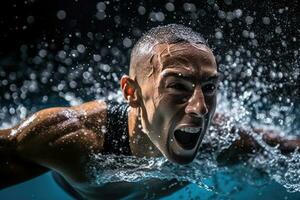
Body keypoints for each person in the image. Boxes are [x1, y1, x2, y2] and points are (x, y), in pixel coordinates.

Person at [0, 24, 299, 199]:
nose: (200, 108)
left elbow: (286, 151)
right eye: (178, 87)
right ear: (131, 92)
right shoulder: (76, 139)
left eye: (209, 87)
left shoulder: (220, 140)